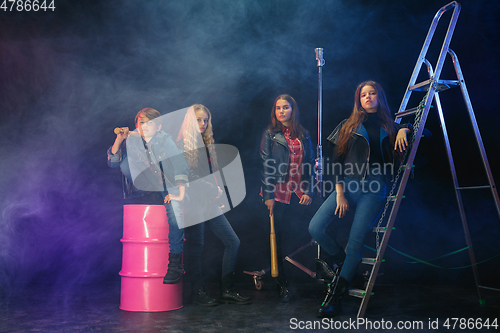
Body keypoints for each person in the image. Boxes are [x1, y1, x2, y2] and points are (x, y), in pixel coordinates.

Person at [308, 81, 410, 318]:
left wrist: (406, 128)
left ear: (379, 97)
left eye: (372, 93)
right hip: (349, 185)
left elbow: (427, 131)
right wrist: (340, 193)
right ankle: (344, 264)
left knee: (356, 242)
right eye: (363, 94)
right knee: (315, 227)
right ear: (358, 99)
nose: (368, 97)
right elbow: (334, 162)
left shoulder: (390, 126)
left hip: (375, 188)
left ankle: (334, 298)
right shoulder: (347, 126)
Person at [177, 104, 251, 306]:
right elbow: (189, 178)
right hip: (193, 203)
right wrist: (212, 191)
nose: (203, 124)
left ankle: (227, 290)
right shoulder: (182, 145)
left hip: (208, 202)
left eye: (206, 120)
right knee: (196, 248)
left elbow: (209, 175)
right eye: (199, 120)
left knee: (232, 241)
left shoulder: (205, 143)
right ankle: (197, 292)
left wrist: (215, 194)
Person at [107, 107, 189, 285]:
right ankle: (148, 195)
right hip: (146, 189)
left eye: (150, 123)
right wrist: (119, 139)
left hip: (169, 186)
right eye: (141, 122)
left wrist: (180, 192)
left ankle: (175, 264)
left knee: (175, 212)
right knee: (126, 163)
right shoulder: (133, 142)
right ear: (136, 126)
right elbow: (113, 163)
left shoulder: (164, 139)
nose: (145, 126)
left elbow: (179, 163)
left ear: (158, 127)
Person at [260, 94, 315, 302]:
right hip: (278, 192)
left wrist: (308, 190)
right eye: (278, 108)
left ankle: (309, 280)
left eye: (285, 107)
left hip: (300, 193)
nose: (281, 111)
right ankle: (283, 284)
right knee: (277, 240)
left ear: (293, 109)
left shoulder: (304, 134)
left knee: (304, 236)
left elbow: (309, 164)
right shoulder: (270, 134)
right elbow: (266, 165)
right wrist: (268, 195)